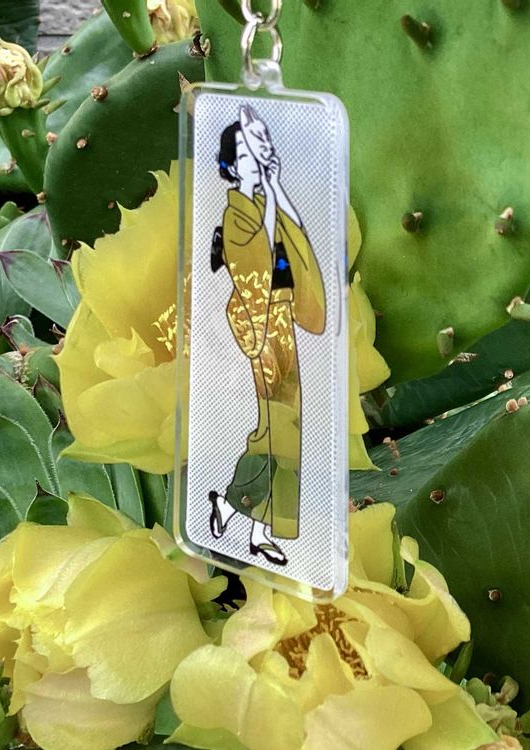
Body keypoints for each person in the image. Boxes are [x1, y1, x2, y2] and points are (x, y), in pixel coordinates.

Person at [207, 105, 326, 565]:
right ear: (231, 165)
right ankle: (254, 526)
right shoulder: (235, 215)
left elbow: (295, 234)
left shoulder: (260, 202)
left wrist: (276, 184)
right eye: (244, 155)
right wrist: (270, 193)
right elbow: (259, 253)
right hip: (261, 325)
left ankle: (238, 514)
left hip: (281, 320)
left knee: (279, 427)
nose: (253, 161)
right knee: (277, 427)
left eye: (255, 153)